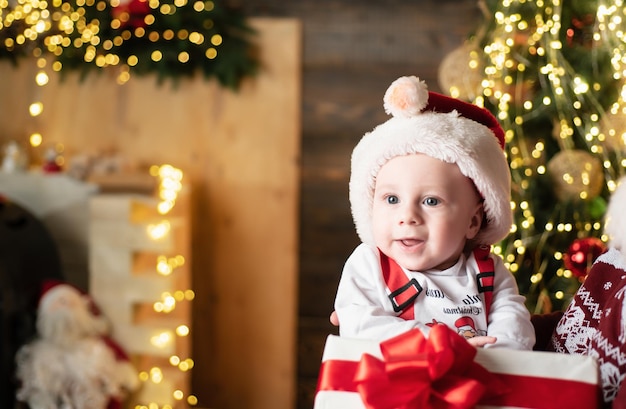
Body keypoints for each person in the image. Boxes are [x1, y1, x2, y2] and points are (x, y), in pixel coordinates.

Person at [333, 76, 535, 350]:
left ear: (473, 221)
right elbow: (359, 324)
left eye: (431, 201)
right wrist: (441, 343)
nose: (408, 216)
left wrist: (496, 353)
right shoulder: (370, 265)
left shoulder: (488, 271)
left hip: (477, 380)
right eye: (392, 198)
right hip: (391, 385)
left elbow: (514, 327)